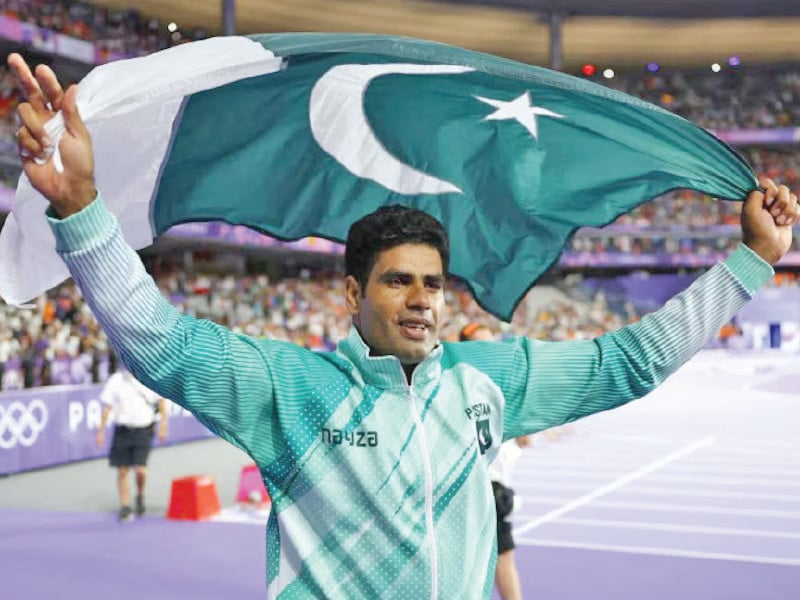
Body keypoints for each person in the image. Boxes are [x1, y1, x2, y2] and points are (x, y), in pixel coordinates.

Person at [9, 53, 798, 598]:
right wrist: (80, 208)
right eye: (397, 283)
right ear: (353, 292)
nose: (421, 299)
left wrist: (751, 264)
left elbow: (629, 362)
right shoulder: (293, 390)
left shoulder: (490, 382)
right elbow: (161, 343)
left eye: (431, 283)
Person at [460, 323, 529, 600]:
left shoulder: (501, 388)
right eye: (482, 344)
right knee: (472, 565)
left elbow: (525, 439)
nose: (490, 350)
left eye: (493, 343)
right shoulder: (459, 387)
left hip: (494, 488)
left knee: (500, 559)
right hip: (469, 488)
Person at [97, 367, 168, 521]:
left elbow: (161, 402)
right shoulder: (116, 380)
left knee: (140, 470)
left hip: (143, 428)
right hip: (123, 429)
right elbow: (107, 407)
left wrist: (163, 425)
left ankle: (140, 494)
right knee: (122, 471)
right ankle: (125, 505)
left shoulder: (148, 375)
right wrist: (101, 431)